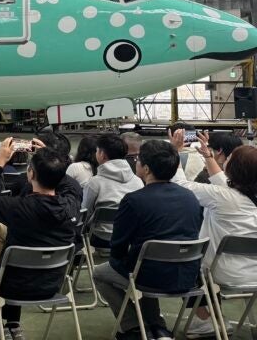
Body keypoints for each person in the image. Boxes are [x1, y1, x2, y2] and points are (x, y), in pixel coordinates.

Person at [0, 138, 82, 340]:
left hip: (13, 285)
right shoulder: (70, 206)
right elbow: (72, 187)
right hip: (53, 283)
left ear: (31, 174)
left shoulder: (17, 208)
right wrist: (52, 162)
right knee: (15, 263)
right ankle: (13, 324)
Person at [93, 140, 203, 340]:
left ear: (146, 168)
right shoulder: (190, 197)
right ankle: (156, 326)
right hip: (188, 276)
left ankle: (133, 326)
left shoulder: (134, 200)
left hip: (148, 276)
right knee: (144, 264)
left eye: (138, 160)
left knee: (102, 273)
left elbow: (117, 247)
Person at [173, 136, 257, 338]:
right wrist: (208, 156)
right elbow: (223, 183)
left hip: (224, 272)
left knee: (181, 262)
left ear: (233, 169)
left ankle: (205, 319)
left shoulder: (222, 197)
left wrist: (175, 152)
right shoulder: (242, 194)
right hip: (253, 271)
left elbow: (180, 186)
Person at [81, 134, 143, 247]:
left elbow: (85, 214)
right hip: (129, 238)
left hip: (101, 238)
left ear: (102, 155)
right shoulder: (138, 181)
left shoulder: (94, 183)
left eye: (97, 151)